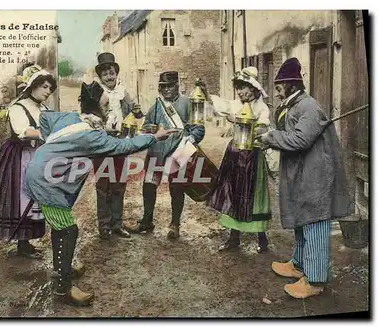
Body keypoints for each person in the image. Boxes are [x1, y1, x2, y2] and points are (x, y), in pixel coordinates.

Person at [24, 80, 177, 306]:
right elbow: (123, 148)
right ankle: (63, 289)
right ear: (96, 108)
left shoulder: (70, 118)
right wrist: (155, 137)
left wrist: (53, 147)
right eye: (105, 107)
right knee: (68, 230)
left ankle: (61, 267)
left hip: (41, 173)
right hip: (47, 183)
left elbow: (46, 120)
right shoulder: (92, 136)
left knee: (61, 227)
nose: (108, 111)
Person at [257, 58, 352, 298]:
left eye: (279, 85)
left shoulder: (308, 107)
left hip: (315, 176)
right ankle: (299, 265)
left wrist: (270, 137)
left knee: (315, 223)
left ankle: (315, 280)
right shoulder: (293, 105)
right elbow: (287, 136)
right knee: (302, 220)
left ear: (291, 84)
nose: (276, 90)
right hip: (301, 172)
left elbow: (300, 140)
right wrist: (269, 137)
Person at [0, 70, 56, 257]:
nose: (48, 91)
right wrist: (46, 134)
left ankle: (27, 242)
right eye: (44, 86)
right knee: (21, 198)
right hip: (20, 157)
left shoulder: (45, 110)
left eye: (50, 88)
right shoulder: (18, 107)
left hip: (38, 156)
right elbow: (22, 131)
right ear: (34, 86)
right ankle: (21, 244)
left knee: (35, 199)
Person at [125, 71, 205, 239]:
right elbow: (146, 126)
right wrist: (149, 130)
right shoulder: (156, 106)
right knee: (148, 186)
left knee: (176, 188)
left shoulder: (188, 104)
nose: (166, 90)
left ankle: (174, 224)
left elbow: (199, 129)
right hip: (157, 151)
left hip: (179, 151)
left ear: (177, 86)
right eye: (163, 87)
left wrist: (190, 139)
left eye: (170, 86)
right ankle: (146, 221)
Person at [206, 66, 272, 253]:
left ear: (253, 88)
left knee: (254, 196)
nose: (241, 92)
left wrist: (246, 123)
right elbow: (220, 108)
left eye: (244, 87)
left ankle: (262, 239)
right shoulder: (235, 105)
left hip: (252, 157)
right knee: (233, 192)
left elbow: (263, 129)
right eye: (239, 88)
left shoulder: (261, 108)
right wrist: (206, 93)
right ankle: (234, 237)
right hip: (235, 154)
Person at [92, 52, 141, 239]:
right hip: (102, 142)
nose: (109, 77)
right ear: (100, 77)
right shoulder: (95, 93)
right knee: (103, 185)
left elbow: (136, 114)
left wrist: (136, 110)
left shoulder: (124, 92)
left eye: (111, 73)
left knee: (119, 184)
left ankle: (117, 224)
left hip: (120, 141)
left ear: (116, 73)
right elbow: (87, 115)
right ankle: (104, 225)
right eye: (105, 74)